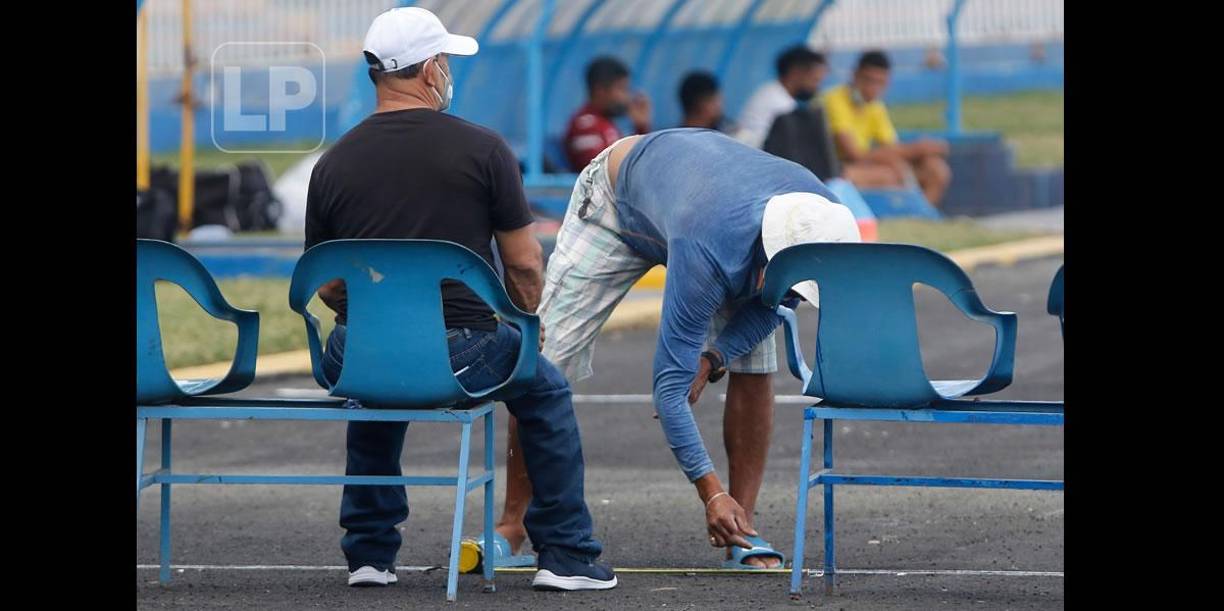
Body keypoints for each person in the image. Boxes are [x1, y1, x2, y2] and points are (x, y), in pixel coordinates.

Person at [304, 6, 615, 591]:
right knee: (544, 389)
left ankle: (370, 555)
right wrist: (528, 325)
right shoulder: (484, 150)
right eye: (443, 60)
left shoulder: (332, 163)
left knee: (376, 381)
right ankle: (568, 556)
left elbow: (325, 283)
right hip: (463, 351)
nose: (447, 70)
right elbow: (524, 262)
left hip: (355, 355)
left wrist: (378, 322)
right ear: (427, 70)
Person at [491, 128, 861, 569]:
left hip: (697, 199)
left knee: (754, 364)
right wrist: (710, 492)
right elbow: (669, 390)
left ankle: (741, 529)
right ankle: (512, 526)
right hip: (617, 202)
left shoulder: (822, 222)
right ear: (767, 252)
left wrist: (715, 356)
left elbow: (778, 302)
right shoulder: (708, 245)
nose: (780, 288)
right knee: (544, 363)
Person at [822, 50, 952, 206]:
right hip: (835, 170)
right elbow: (854, 154)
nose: (873, 88)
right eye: (869, 80)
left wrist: (917, 151)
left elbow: (891, 147)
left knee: (935, 169)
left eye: (880, 83)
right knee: (889, 176)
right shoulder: (834, 100)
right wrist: (916, 149)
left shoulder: (875, 106)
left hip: (865, 165)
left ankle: (920, 218)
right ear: (855, 75)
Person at [562, 56, 652, 171]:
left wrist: (641, 128)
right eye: (621, 89)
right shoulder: (585, 126)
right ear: (600, 91)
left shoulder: (605, 124)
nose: (627, 97)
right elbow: (598, 171)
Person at [735, 45, 828, 149]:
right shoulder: (781, 104)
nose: (817, 88)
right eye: (815, 80)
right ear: (796, 72)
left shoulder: (771, 92)